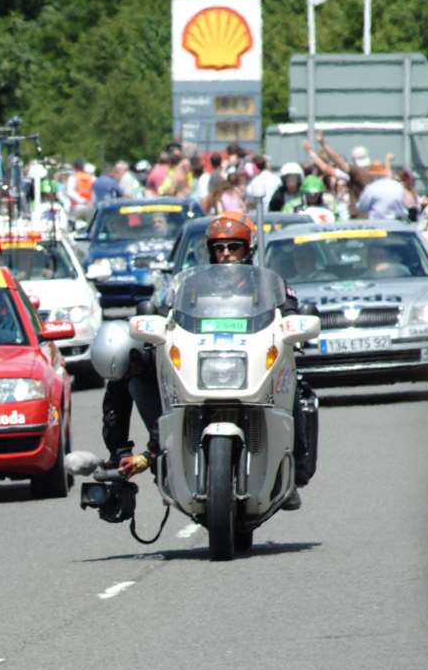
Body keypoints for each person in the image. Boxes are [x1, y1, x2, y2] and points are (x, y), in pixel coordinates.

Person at [107, 214, 316, 507]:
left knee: (292, 382)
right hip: (201, 362)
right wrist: (153, 324)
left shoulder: (269, 285)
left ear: (248, 250)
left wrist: (295, 324)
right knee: (133, 369)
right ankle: (160, 458)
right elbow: (165, 314)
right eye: (219, 248)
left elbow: (290, 312)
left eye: (234, 247)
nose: (226, 254)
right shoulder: (189, 286)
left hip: (250, 362)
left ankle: (291, 471)